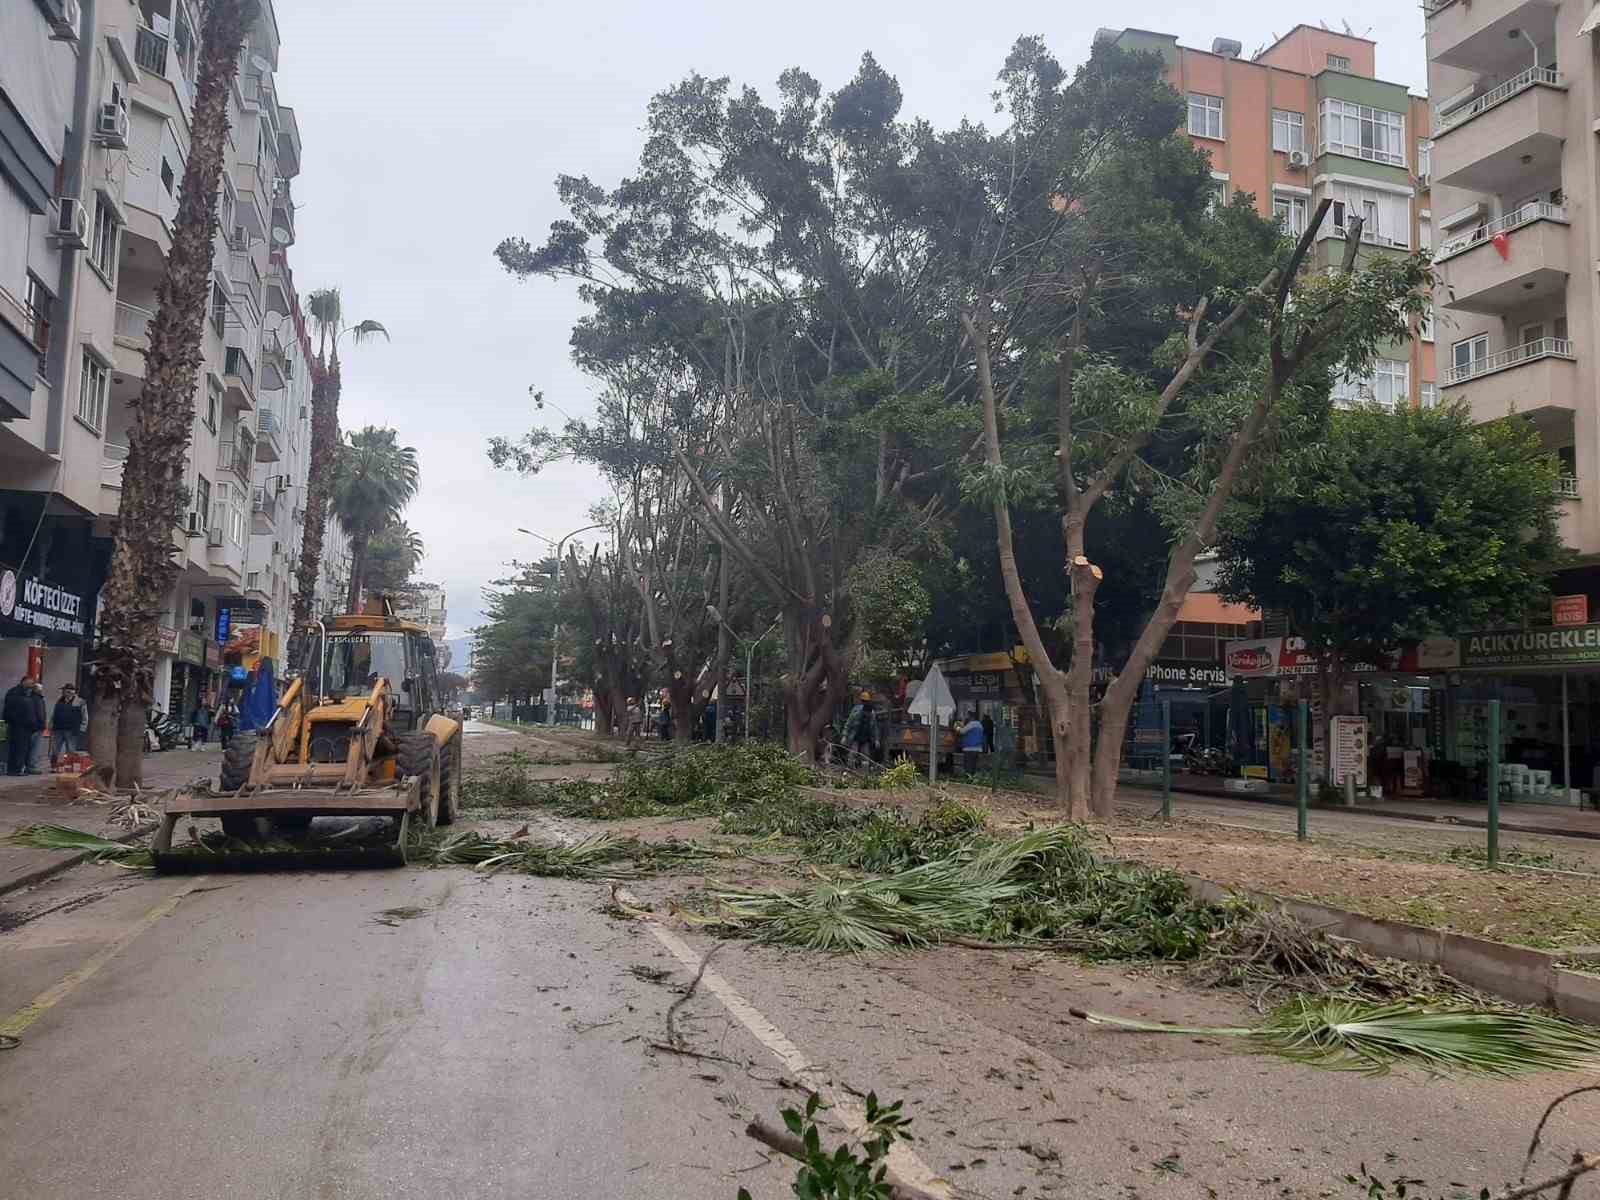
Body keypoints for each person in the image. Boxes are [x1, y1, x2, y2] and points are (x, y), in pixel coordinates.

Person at [4, 675, 40, 776]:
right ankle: (15, 770)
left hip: (25, 726)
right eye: (30, 682)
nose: (32, 685)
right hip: (19, 726)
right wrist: (17, 721)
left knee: (22, 748)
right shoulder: (15, 693)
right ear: (24, 681)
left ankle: (17, 768)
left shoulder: (26, 694)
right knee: (18, 748)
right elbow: (13, 711)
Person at [50, 684, 86, 767]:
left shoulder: (80, 701)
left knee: (70, 750)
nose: (64, 692)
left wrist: (82, 729)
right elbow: (54, 714)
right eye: (64, 691)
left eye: (65, 690)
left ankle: (68, 766)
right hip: (58, 729)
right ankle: (54, 765)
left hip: (72, 730)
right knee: (55, 749)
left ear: (71, 692)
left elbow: (85, 716)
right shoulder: (59, 701)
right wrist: (51, 724)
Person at [843, 691, 878, 768]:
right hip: (855, 736)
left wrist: (876, 740)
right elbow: (848, 723)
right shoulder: (856, 712)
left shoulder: (872, 714)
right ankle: (850, 769)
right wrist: (844, 736)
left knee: (865, 756)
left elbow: (874, 728)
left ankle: (864, 772)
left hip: (866, 738)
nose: (867, 715)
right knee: (853, 753)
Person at [960, 709, 986, 776]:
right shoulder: (980, 725)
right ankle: (973, 778)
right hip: (978, 748)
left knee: (968, 765)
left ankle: (968, 778)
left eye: (968, 716)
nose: (967, 717)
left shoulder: (971, 724)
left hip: (969, 748)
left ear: (971, 716)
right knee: (974, 765)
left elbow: (962, 731)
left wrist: (957, 727)